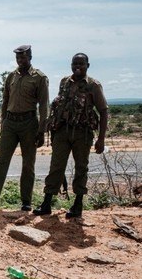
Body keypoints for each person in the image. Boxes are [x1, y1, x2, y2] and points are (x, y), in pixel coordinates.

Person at [33, 53, 108, 218]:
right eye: (75, 63)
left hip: (83, 133)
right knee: (56, 166)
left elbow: (103, 111)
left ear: (88, 65)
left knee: (81, 167)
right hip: (62, 131)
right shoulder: (64, 82)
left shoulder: (93, 85)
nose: (78, 66)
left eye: (81, 63)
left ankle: (78, 205)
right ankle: (46, 204)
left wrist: (101, 138)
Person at [0, 45, 49, 212]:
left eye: (23, 57)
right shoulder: (11, 76)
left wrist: (41, 131)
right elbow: (5, 101)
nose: (20, 60)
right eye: (18, 58)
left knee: (28, 164)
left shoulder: (39, 77)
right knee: (1, 161)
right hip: (10, 123)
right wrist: (3, 123)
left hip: (29, 124)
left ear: (30, 57)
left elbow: (44, 106)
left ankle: (26, 201)